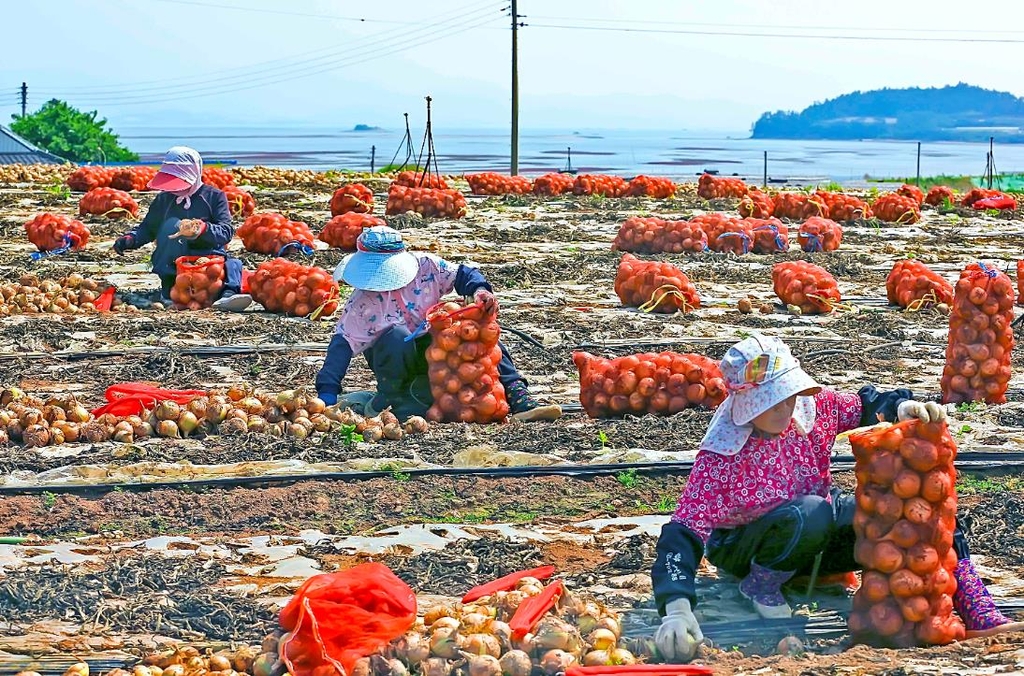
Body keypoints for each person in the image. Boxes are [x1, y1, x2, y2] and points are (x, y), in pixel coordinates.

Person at [651, 335, 1024, 662]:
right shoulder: (723, 452)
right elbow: (683, 531)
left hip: (813, 531)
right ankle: (761, 587)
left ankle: (971, 600)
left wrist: (900, 409)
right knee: (811, 514)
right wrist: (677, 607)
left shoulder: (815, 408)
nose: (783, 409)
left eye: (786, 397)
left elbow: (867, 403)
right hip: (747, 548)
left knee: (914, 508)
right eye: (769, 402)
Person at [315, 226, 561, 423]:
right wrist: (326, 395)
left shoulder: (425, 267)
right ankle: (393, 397)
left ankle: (518, 395)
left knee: (479, 333)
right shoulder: (361, 303)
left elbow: (464, 274)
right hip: (394, 358)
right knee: (396, 336)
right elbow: (341, 346)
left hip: (434, 350)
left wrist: (480, 292)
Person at [112, 146, 251, 311]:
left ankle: (228, 295)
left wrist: (201, 229)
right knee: (172, 224)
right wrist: (131, 239)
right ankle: (169, 288)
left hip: (207, 260)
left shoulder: (214, 197)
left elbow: (226, 231)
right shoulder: (163, 200)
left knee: (234, 264)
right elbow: (148, 228)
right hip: (174, 262)